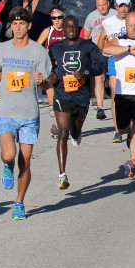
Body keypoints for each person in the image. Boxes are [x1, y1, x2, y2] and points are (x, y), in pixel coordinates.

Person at [0, 7, 54, 220]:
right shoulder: (1, 49)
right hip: (6, 111)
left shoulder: (38, 52)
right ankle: (7, 166)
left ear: (29, 26)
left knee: (25, 162)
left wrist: (42, 81)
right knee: (9, 155)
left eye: (21, 24)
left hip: (29, 115)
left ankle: (19, 202)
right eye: (14, 24)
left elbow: (49, 81)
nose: (17, 27)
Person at [48, 16, 107, 189]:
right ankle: (62, 174)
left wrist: (86, 71)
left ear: (78, 28)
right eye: (68, 26)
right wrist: (51, 76)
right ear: (64, 29)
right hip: (62, 94)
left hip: (81, 96)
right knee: (63, 132)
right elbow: (47, 66)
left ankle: (77, 133)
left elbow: (101, 66)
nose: (71, 29)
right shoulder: (55, 48)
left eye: (74, 26)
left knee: (74, 131)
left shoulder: (88, 47)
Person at [102, 12, 135, 178]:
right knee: (124, 128)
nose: (133, 28)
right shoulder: (119, 40)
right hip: (123, 93)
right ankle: (128, 134)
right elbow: (106, 48)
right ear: (126, 26)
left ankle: (131, 161)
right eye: (130, 25)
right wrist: (128, 49)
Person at [98, 0, 132, 143]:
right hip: (114, 61)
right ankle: (117, 131)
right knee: (115, 95)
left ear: (130, 6)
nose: (123, 9)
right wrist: (104, 52)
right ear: (116, 7)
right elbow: (101, 42)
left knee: (131, 94)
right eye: (120, 6)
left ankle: (130, 128)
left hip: (131, 60)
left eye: (126, 6)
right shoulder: (108, 22)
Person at [81, 0, 115, 121]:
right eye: (99, 6)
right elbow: (86, 36)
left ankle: (116, 102)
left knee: (113, 81)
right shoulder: (91, 16)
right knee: (99, 79)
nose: (102, 8)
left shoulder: (115, 14)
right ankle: (100, 108)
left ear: (108, 3)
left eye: (104, 5)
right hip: (98, 53)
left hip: (112, 52)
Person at [36, 7, 67, 109]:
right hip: (51, 63)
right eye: (54, 18)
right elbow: (36, 46)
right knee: (50, 84)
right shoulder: (48, 31)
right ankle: (52, 107)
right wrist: (46, 53)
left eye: (59, 17)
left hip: (65, 64)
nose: (57, 20)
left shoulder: (68, 30)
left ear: (63, 17)